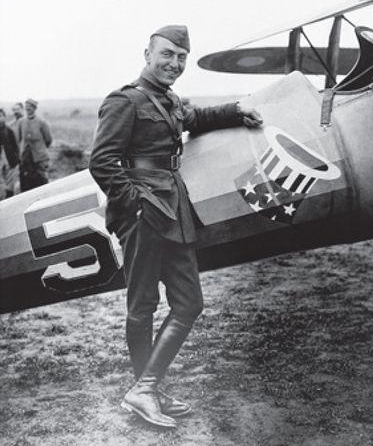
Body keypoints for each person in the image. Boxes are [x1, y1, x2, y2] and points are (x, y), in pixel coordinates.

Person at [89, 25, 262, 429]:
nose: (174, 63)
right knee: (144, 305)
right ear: (147, 54)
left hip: (173, 209)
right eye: (167, 54)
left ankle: (145, 387)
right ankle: (144, 389)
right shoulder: (125, 100)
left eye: (181, 57)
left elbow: (195, 116)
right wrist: (134, 205)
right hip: (144, 213)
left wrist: (236, 110)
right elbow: (102, 161)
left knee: (189, 302)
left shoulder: (168, 100)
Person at [18, 98, 52, 192]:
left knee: (42, 183)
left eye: (30, 107)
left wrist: (40, 150)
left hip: (39, 159)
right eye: (26, 108)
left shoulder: (42, 122)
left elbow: (48, 140)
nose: (28, 109)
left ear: (34, 108)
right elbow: (20, 138)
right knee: (26, 183)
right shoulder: (21, 122)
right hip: (26, 158)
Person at [0, 109, 20, 200]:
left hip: (9, 160)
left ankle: (9, 200)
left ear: (4, 117)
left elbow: (16, 147)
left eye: (0, 116)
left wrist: (15, 159)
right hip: (1, 160)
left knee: (9, 185)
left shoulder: (9, 131)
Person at [5, 102, 24, 196]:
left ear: (22, 109)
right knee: (11, 182)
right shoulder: (10, 125)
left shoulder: (27, 122)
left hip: (28, 156)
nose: (16, 112)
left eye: (17, 109)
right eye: (14, 110)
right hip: (14, 157)